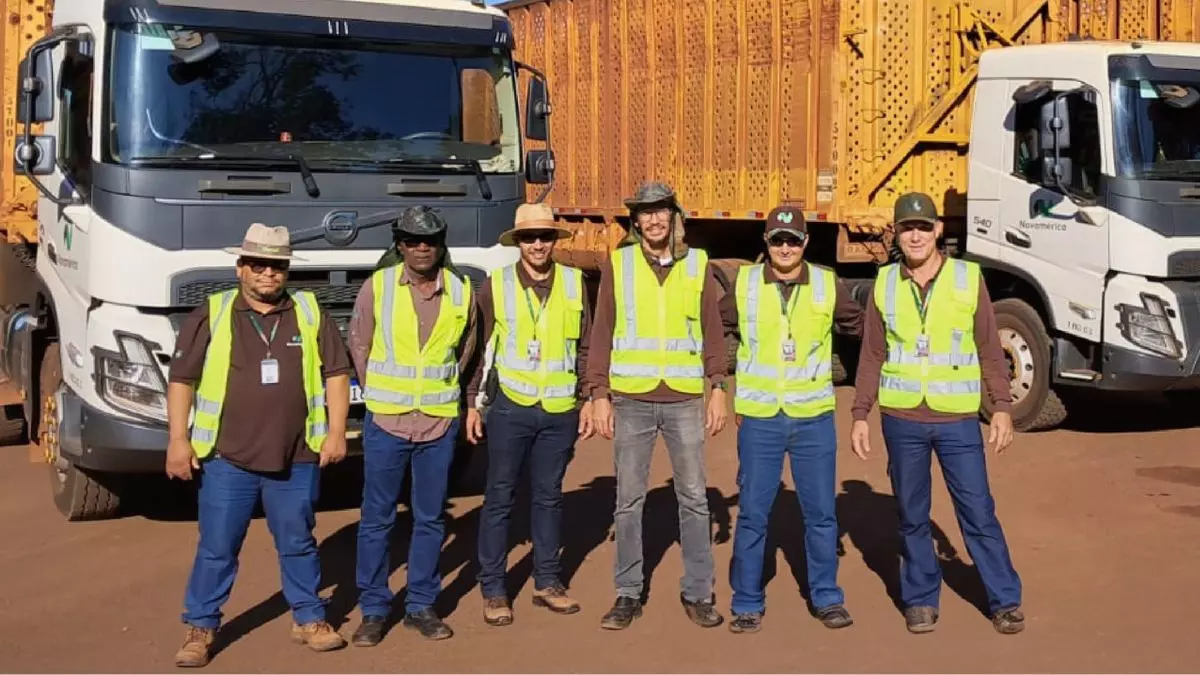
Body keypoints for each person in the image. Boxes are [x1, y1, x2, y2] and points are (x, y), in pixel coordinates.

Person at [166, 223, 351, 667]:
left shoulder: (309, 312)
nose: (268, 273)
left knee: (298, 541)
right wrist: (177, 440)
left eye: (277, 266)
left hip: (297, 455)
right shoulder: (212, 313)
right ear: (241, 268)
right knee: (218, 547)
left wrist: (336, 431)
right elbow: (182, 380)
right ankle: (201, 626)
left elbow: (336, 374)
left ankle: (309, 617)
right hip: (227, 458)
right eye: (259, 265)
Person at [849, 192, 1024, 635]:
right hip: (902, 419)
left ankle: (1004, 599)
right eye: (907, 228)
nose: (915, 236)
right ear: (896, 233)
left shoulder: (967, 278)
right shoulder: (885, 283)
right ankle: (921, 598)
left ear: (938, 230)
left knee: (978, 511)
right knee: (912, 514)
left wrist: (1001, 407)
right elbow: (872, 354)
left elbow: (989, 347)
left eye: (923, 227)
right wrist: (860, 412)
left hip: (957, 421)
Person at [588, 181, 729, 631]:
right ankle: (627, 593)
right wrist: (598, 393)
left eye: (661, 211)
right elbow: (602, 330)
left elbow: (711, 328)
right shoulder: (620, 264)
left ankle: (698, 592)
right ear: (636, 221)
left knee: (694, 498)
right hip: (631, 398)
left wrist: (718, 385)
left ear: (673, 216)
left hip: (684, 398)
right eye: (645, 213)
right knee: (628, 501)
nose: (653, 219)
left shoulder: (697, 264)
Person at [719, 206, 864, 634]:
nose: (785, 248)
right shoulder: (745, 284)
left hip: (812, 418)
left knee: (821, 514)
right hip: (760, 419)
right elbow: (712, 326)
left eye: (793, 240)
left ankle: (827, 597)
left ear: (805, 242)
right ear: (766, 243)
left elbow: (861, 326)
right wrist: (717, 382)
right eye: (777, 240)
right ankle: (747, 602)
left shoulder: (827, 283)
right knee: (752, 514)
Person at [347, 205, 480, 646]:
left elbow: (467, 352)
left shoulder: (461, 291)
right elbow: (359, 343)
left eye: (430, 240)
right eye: (412, 240)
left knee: (429, 518)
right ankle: (373, 609)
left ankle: (421, 605)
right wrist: (381, 396)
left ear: (441, 244)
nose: (422, 247)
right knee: (377, 519)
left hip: (437, 425)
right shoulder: (378, 286)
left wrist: (449, 400)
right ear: (399, 245)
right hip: (387, 423)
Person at [464, 202, 595, 626]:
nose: (538, 244)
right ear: (518, 242)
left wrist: (589, 398)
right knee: (499, 497)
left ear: (554, 240)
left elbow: (586, 346)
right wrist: (472, 402)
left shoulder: (575, 283)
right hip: (510, 407)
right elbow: (476, 348)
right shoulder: (496, 285)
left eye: (544, 237)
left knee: (549, 496)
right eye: (529, 238)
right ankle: (494, 588)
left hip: (559, 410)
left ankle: (547, 582)